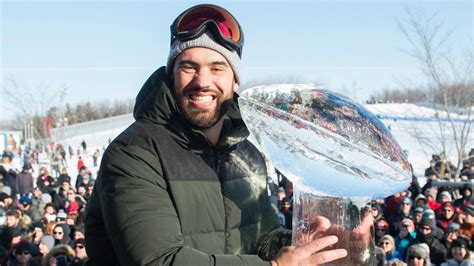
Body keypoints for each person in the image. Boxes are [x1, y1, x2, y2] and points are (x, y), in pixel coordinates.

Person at [85, 4, 352, 265]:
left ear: (235, 80)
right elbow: (158, 260)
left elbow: (262, 238)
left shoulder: (246, 154)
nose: (202, 81)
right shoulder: (135, 153)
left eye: (217, 68)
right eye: (188, 67)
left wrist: (322, 245)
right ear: (171, 75)